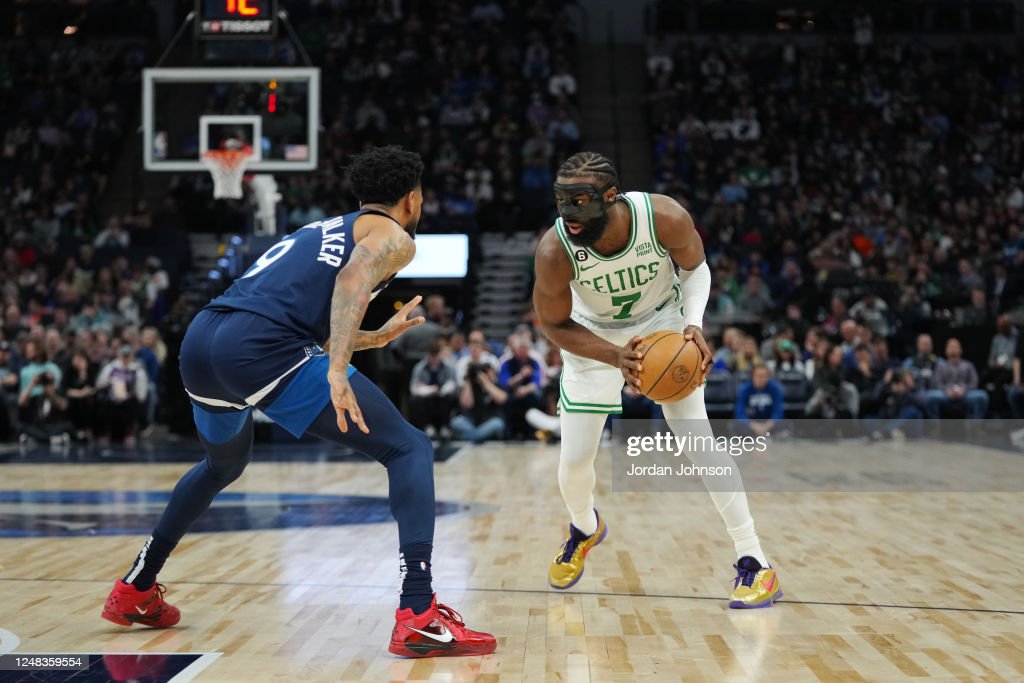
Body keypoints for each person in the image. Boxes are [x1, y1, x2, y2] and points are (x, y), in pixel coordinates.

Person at [100, 146, 494, 657]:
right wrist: (337, 371)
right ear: (413, 199)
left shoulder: (321, 230)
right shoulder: (394, 236)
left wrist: (372, 339)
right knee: (408, 448)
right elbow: (350, 284)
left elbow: (310, 322)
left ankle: (136, 586)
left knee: (223, 465)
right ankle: (418, 612)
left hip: (203, 342)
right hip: (260, 348)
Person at [532, 152, 781, 608]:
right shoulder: (555, 250)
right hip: (593, 338)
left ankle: (755, 561)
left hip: (663, 327)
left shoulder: (663, 217)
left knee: (699, 443)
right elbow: (554, 323)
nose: (567, 213)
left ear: (611, 196)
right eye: (561, 200)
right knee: (574, 463)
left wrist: (694, 324)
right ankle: (585, 528)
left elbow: (696, 269)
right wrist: (614, 356)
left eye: (579, 201)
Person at [450, 341, 508, 443]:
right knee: (456, 422)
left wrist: (486, 382)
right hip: (471, 420)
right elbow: (466, 405)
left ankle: (472, 436)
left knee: (498, 424)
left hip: (489, 420)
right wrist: (468, 380)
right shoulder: (470, 383)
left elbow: (502, 399)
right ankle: (477, 436)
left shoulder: (495, 384)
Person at [925, 338, 989, 419]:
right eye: (950, 347)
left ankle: (975, 424)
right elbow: (937, 382)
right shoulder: (941, 366)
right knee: (929, 396)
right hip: (946, 395)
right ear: (946, 350)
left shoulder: (968, 365)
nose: (953, 349)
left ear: (961, 350)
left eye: (955, 347)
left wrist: (964, 390)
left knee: (982, 396)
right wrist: (947, 390)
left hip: (965, 394)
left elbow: (974, 382)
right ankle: (934, 424)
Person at [408, 338, 458, 438]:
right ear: (428, 355)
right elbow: (413, 388)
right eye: (432, 357)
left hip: (442, 397)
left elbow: (453, 383)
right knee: (416, 400)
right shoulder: (420, 368)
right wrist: (430, 389)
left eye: (436, 356)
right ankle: (427, 426)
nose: (434, 360)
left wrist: (443, 389)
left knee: (451, 397)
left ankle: (445, 427)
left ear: (440, 354)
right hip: (427, 398)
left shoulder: (448, 367)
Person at [735, 364, 783, 437]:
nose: (761, 379)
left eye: (764, 376)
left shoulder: (775, 388)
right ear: (753, 377)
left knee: (786, 423)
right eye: (759, 376)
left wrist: (768, 425)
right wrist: (754, 426)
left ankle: (769, 436)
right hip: (751, 423)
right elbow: (740, 413)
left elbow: (778, 411)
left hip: (769, 422)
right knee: (735, 425)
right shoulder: (744, 389)